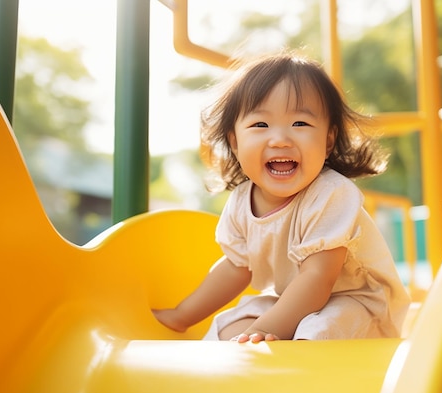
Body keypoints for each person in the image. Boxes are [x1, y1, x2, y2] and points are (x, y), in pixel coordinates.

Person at [153, 52, 410, 342]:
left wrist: (265, 329)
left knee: (314, 331)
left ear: (327, 140)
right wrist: (182, 315)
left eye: (300, 124)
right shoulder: (241, 201)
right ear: (234, 142)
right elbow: (235, 269)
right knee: (230, 326)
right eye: (260, 125)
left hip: (361, 306)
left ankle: (299, 376)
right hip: (299, 301)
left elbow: (318, 278)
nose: (280, 139)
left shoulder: (332, 194)